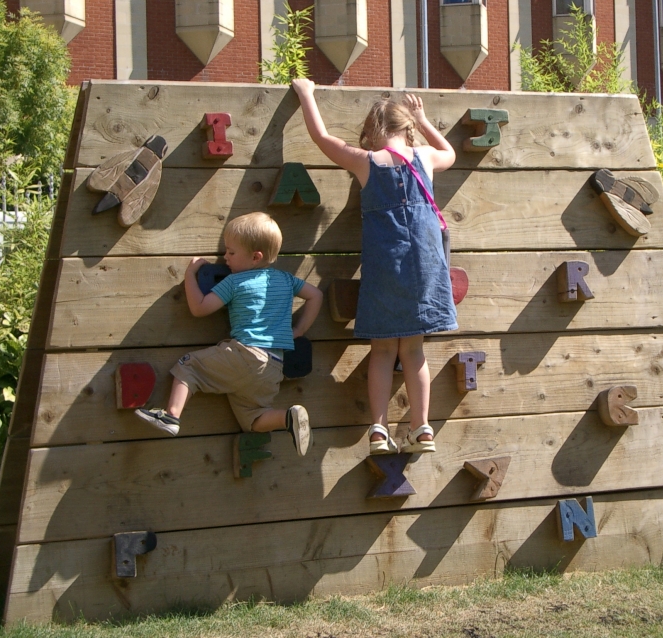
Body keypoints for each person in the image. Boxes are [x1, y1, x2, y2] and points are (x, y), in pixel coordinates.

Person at [292, 78, 457, 455]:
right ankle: (422, 428)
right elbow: (448, 151)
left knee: (382, 351)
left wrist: (306, 93)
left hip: (385, 269)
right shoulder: (426, 159)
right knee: (413, 352)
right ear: (408, 129)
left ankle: (379, 430)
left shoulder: (365, 162)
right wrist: (424, 118)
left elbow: (321, 137)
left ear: (371, 132)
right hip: (425, 268)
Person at [135, 212, 324, 456]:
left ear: (255, 257)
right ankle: (287, 417)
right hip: (275, 367)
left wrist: (190, 275)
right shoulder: (286, 280)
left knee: (188, 367)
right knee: (255, 419)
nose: (225, 258)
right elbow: (315, 295)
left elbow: (199, 308)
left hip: (245, 355)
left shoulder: (235, 281)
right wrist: (299, 330)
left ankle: (171, 416)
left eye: (231, 253)